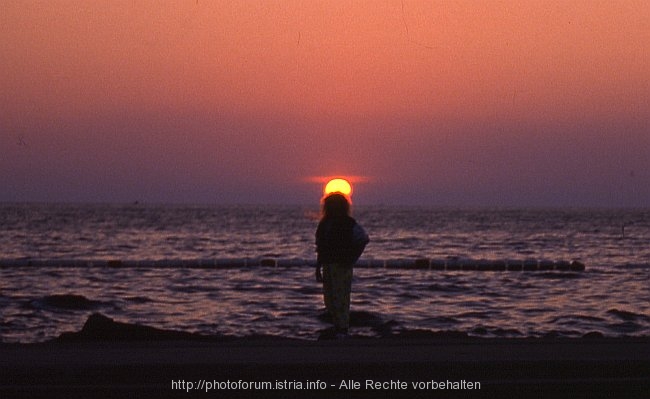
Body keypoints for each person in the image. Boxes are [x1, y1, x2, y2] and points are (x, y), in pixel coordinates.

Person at [315, 193, 369, 338]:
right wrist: (318, 267)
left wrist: (352, 258)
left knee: (341, 298)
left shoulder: (348, 223)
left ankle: (342, 328)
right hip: (328, 265)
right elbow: (320, 247)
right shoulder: (324, 224)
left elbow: (363, 239)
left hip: (342, 265)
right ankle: (338, 326)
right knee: (330, 299)